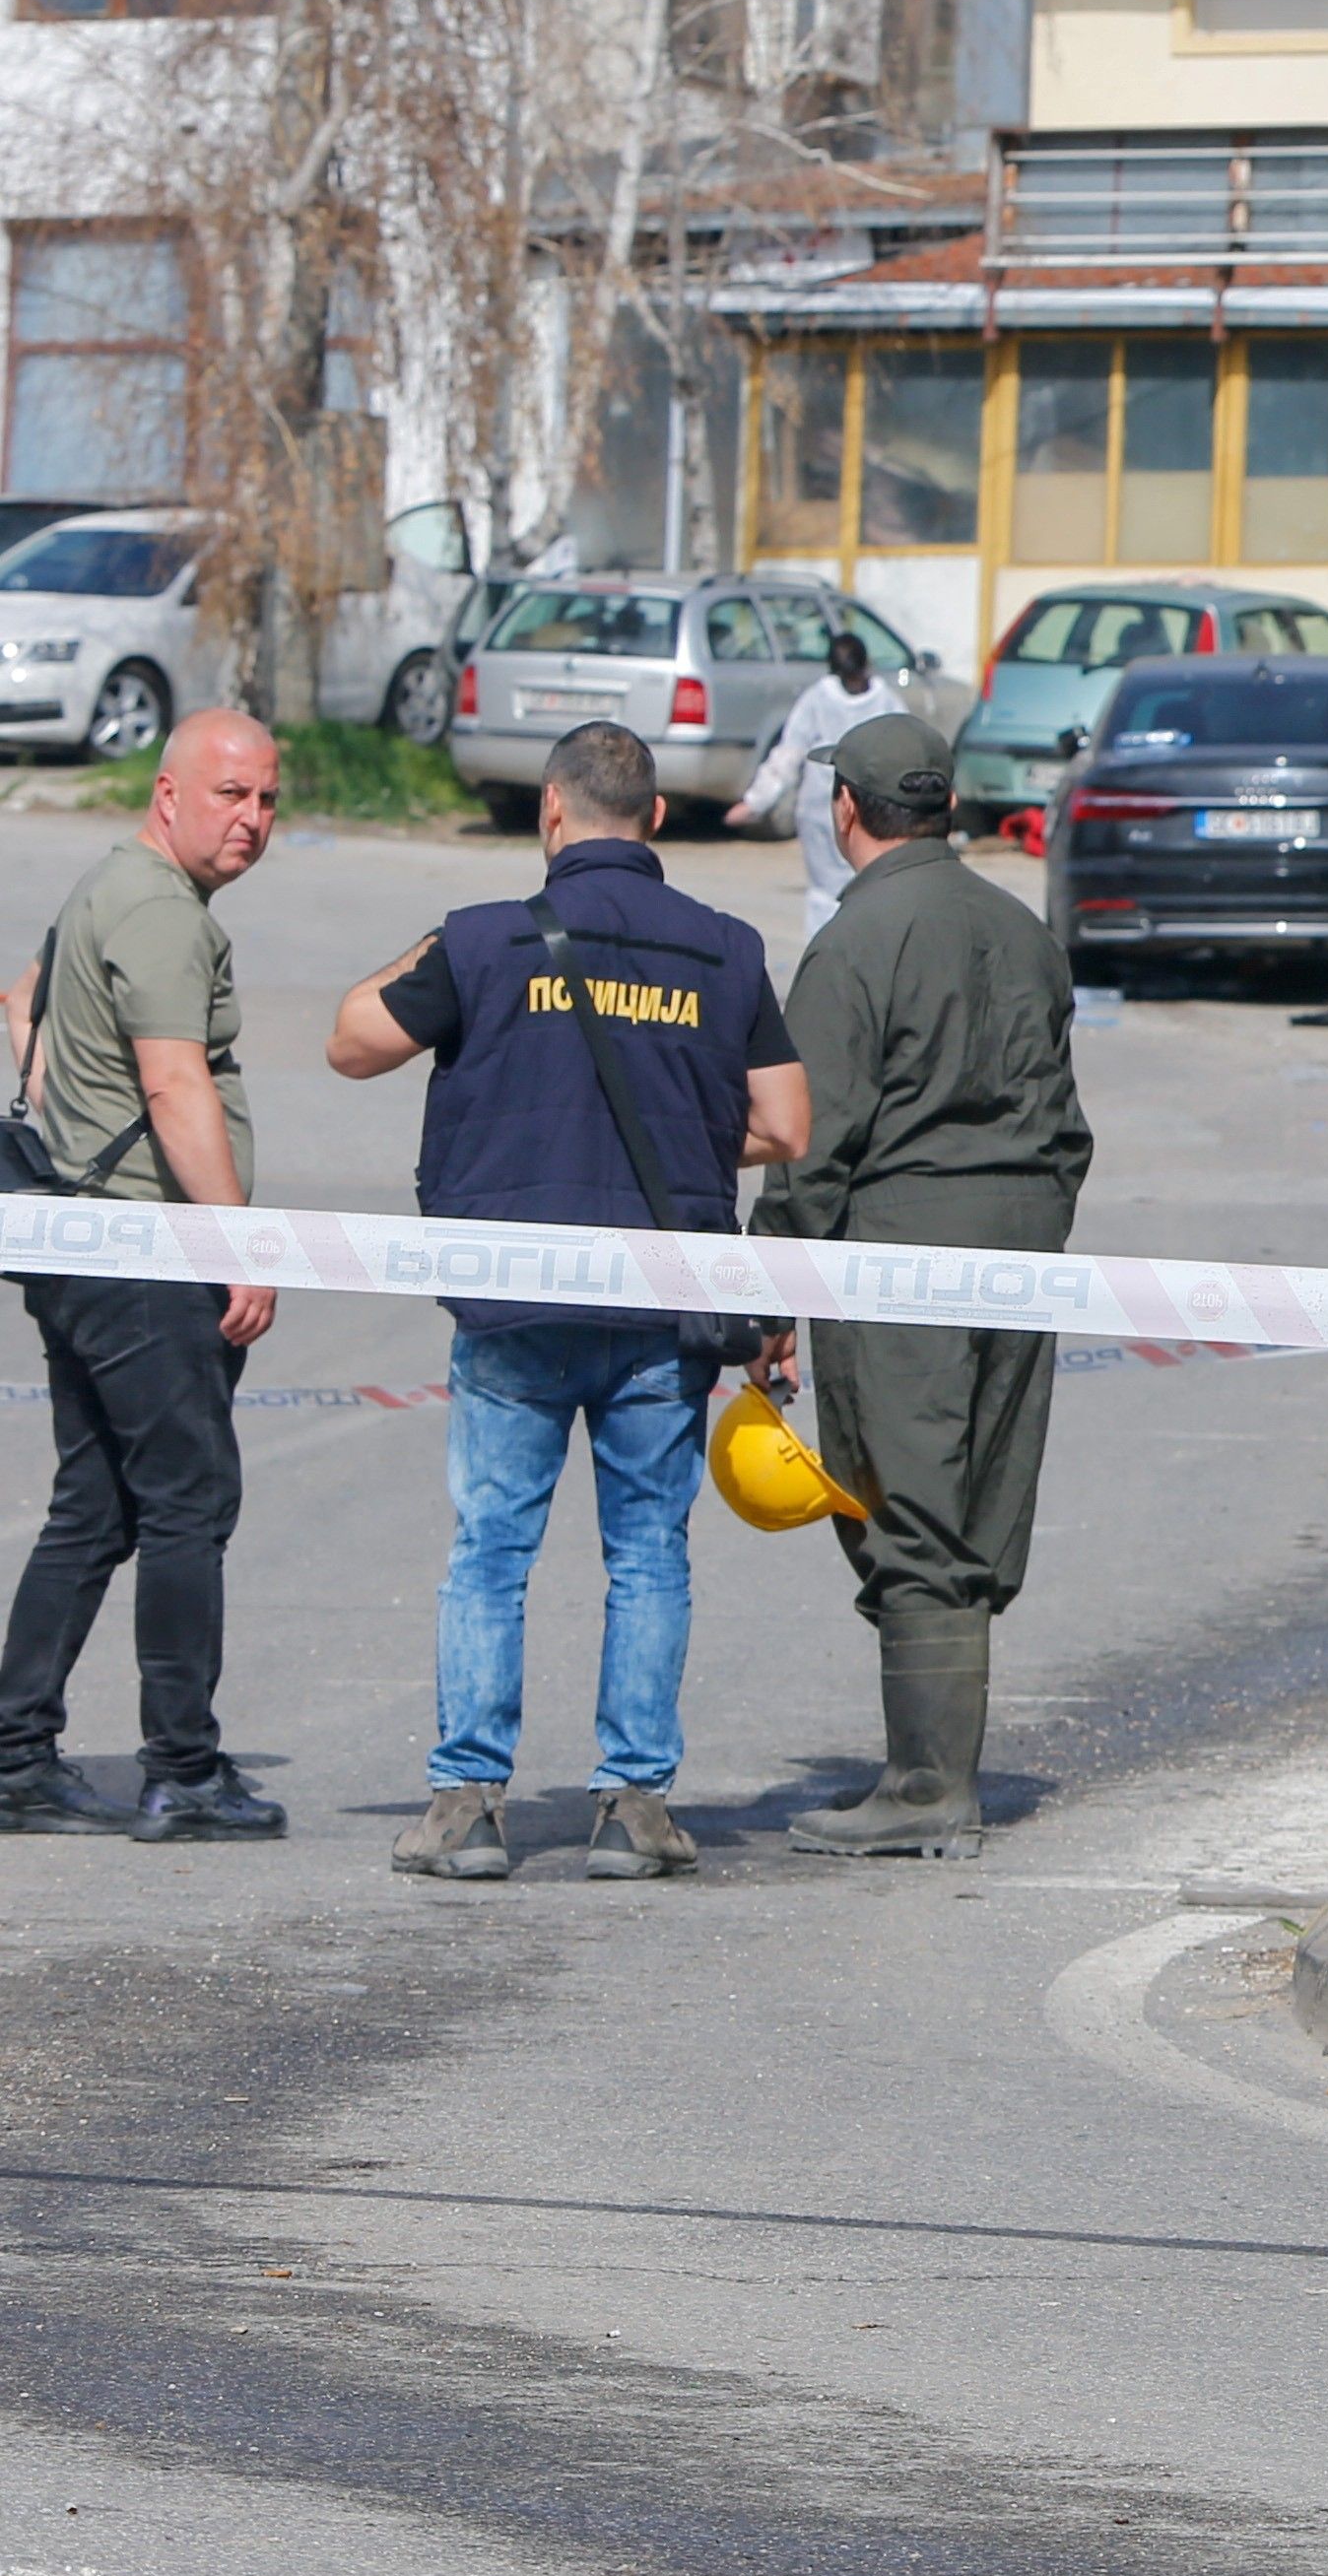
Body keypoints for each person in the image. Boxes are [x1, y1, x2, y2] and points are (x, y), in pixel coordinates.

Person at [330, 719, 808, 1883]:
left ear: (551, 814)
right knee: (648, 1553)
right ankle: (635, 1806)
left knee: (492, 1549)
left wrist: (439, 948)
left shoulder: (486, 942)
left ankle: (467, 1806)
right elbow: (787, 1125)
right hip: (664, 1307)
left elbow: (352, 1041)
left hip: (514, 1306)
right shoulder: (726, 948)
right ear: (653, 819)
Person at [753, 714, 1090, 1860]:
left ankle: (925, 1786)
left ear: (846, 809)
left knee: (907, 1504)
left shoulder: (855, 943)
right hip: (1021, 1247)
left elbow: (808, 1139)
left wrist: (763, 1294)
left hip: (900, 1252)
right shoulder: (1020, 930)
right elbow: (1066, 1125)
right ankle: (938, 1773)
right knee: (977, 1500)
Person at [0, 711, 285, 1844]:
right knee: (188, 1502)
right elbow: (174, 1086)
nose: (253, 820)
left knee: (99, 1505)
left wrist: (71, 1112)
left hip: (80, 1242)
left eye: (267, 798)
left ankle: (18, 1753)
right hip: (144, 1256)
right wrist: (236, 1244)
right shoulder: (163, 911)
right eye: (229, 795)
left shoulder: (108, 885)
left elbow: (22, 998)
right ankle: (185, 1771)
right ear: (168, 793)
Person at [736, 616, 920, 941]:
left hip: (821, 809)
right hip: (874, 810)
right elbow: (908, 752)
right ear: (867, 664)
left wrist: (756, 802)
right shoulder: (886, 700)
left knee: (824, 895)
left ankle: (824, 960)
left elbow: (788, 754)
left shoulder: (817, 698)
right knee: (870, 885)